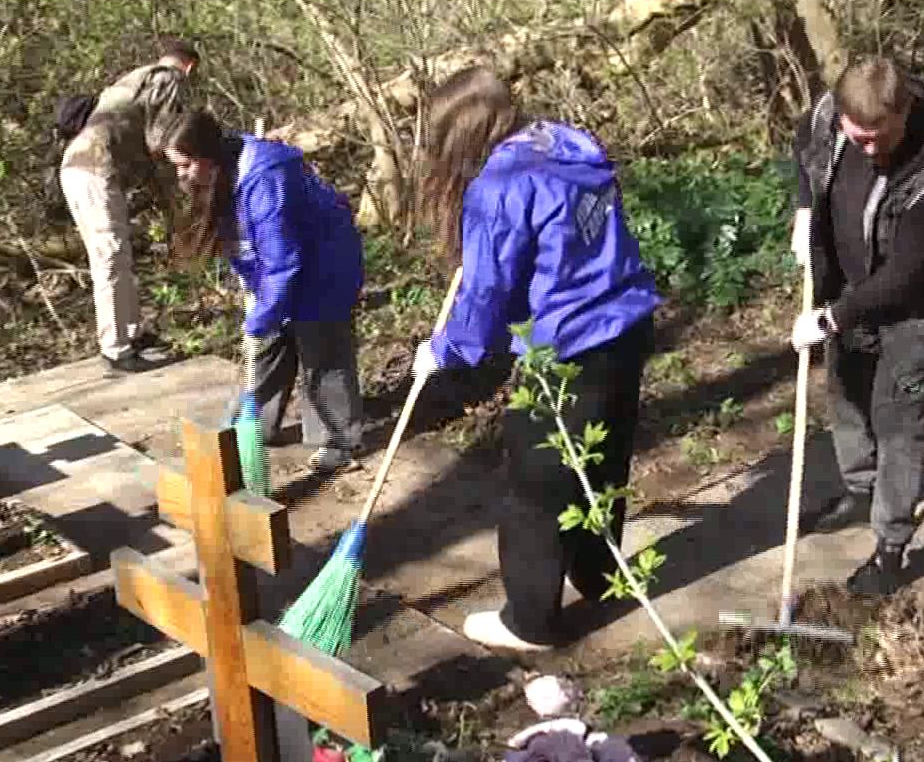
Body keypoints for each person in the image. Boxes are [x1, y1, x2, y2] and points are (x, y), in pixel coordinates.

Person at [410, 66, 660, 652]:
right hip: (626, 323)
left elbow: (485, 295)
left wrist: (444, 351)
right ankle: (600, 576)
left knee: (536, 484)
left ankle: (528, 619)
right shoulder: (568, 143)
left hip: (567, 345)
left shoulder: (501, 184)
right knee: (601, 458)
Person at [787, 55, 924, 597]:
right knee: (846, 391)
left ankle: (891, 545)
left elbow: (905, 276)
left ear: (905, 110)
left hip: (911, 309)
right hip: (847, 286)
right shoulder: (830, 115)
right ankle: (859, 488)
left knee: (898, 418)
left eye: (879, 139)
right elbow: (805, 148)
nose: (868, 150)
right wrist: (805, 211)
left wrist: (830, 318)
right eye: (858, 138)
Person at [159, 109, 368, 472]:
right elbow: (244, 241)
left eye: (186, 164)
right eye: (176, 166)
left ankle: (337, 439)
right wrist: (254, 292)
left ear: (208, 156)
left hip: (324, 266)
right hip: (278, 266)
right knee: (267, 349)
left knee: (322, 353)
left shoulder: (266, 178)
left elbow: (283, 259)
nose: (181, 174)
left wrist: (263, 313)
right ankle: (253, 426)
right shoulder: (219, 175)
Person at [59, 38, 201, 373]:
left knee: (116, 254)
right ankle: (116, 349)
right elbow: (162, 140)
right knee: (109, 255)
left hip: (82, 167)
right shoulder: (169, 79)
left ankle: (131, 333)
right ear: (190, 67)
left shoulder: (134, 79)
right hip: (94, 168)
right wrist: (188, 172)